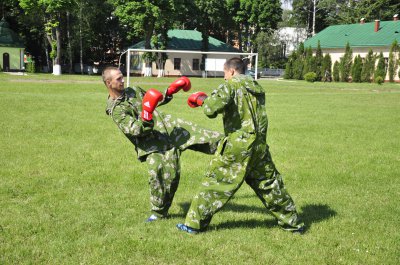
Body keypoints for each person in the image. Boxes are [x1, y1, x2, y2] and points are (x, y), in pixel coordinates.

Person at [177, 57, 305, 234]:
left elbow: (210, 110)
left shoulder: (231, 84)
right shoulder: (256, 86)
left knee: (215, 183)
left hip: (238, 146)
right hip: (259, 145)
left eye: (224, 73)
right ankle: (293, 224)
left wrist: (202, 99)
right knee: (269, 185)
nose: (224, 77)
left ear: (231, 71)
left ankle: (193, 225)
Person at [102, 66, 222, 222]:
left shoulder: (133, 91)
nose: (123, 80)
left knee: (211, 139)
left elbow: (155, 98)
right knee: (165, 179)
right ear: (109, 83)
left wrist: (171, 89)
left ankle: (240, 151)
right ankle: (158, 214)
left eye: (122, 76)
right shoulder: (116, 110)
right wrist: (146, 114)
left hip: (171, 128)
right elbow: (136, 130)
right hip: (154, 145)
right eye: (118, 79)